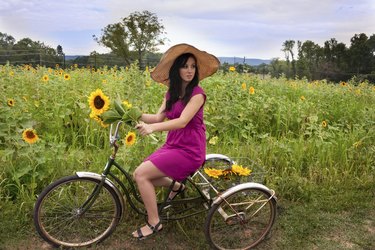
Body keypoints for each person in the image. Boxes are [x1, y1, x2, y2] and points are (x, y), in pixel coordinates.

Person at [132, 43, 220, 239]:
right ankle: (178, 186)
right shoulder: (171, 92)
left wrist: (152, 129)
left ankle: (154, 223)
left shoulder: (198, 94)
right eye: (185, 66)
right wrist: (132, 114)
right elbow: (157, 118)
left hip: (190, 150)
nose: (189, 71)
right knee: (140, 175)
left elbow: (181, 122)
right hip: (173, 145)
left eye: (193, 66)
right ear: (176, 69)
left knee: (141, 175)